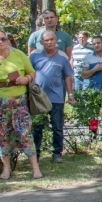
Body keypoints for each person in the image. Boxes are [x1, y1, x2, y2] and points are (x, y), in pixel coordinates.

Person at [0, 28, 42, 180]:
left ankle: (35, 168)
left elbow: (31, 72)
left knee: (25, 133)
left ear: (8, 40)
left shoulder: (19, 55)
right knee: (2, 135)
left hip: (18, 101)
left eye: (3, 39)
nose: (0, 42)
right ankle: (6, 168)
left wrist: (26, 79)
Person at [29, 31, 76, 163]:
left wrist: (70, 94)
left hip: (56, 98)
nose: (49, 42)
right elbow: (28, 72)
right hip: (38, 98)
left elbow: (67, 76)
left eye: (51, 40)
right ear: (42, 42)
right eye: (46, 40)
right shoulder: (34, 55)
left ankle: (57, 153)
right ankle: (36, 153)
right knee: (37, 127)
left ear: (56, 41)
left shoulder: (62, 57)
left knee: (57, 127)